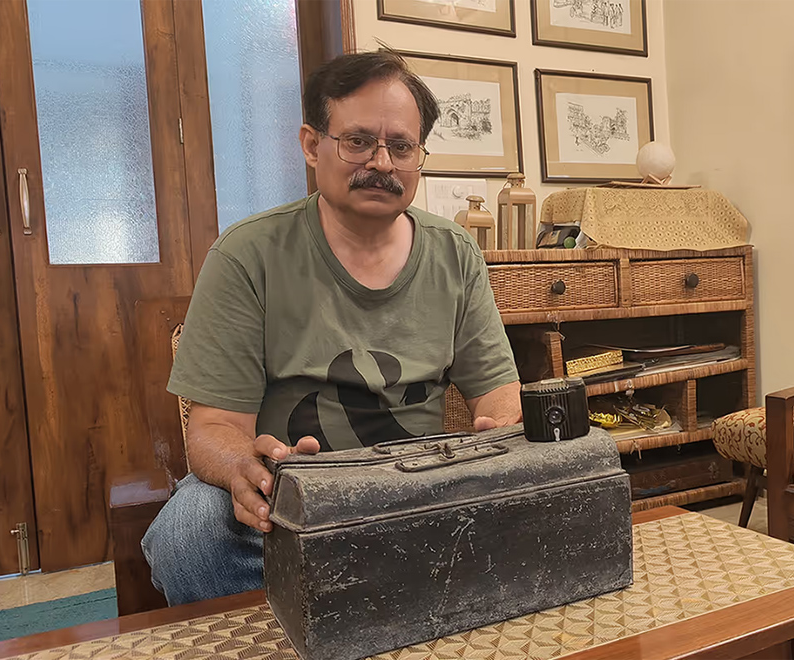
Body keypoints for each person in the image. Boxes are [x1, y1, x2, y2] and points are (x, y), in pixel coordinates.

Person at [141, 50, 522, 606]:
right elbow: (214, 428)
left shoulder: (455, 252)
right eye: (359, 141)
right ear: (311, 144)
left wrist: (496, 435)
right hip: (292, 504)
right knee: (190, 532)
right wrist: (243, 467)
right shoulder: (248, 255)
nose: (383, 163)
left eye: (401, 146)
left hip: (418, 495)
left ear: (420, 156)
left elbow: (498, 393)